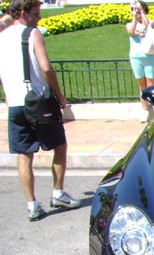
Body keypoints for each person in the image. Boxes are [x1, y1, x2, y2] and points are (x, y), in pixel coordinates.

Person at [0, 0, 80, 221]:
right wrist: (60, 96)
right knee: (60, 146)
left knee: (24, 155)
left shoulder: (2, 36)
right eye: (36, 13)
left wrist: (8, 90)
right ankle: (58, 192)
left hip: (15, 103)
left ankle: (32, 205)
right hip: (38, 102)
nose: (39, 18)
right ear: (23, 13)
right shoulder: (32, 34)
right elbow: (45, 68)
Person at [126, 0, 154, 123]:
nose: (138, 13)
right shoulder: (129, 24)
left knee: (151, 84)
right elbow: (131, 31)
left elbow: (148, 26)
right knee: (142, 85)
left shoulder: (150, 22)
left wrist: (142, 12)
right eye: (135, 10)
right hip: (136, 57)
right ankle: (145, 109)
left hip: (149, 56)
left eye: (140, 10)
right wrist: (134, 16)